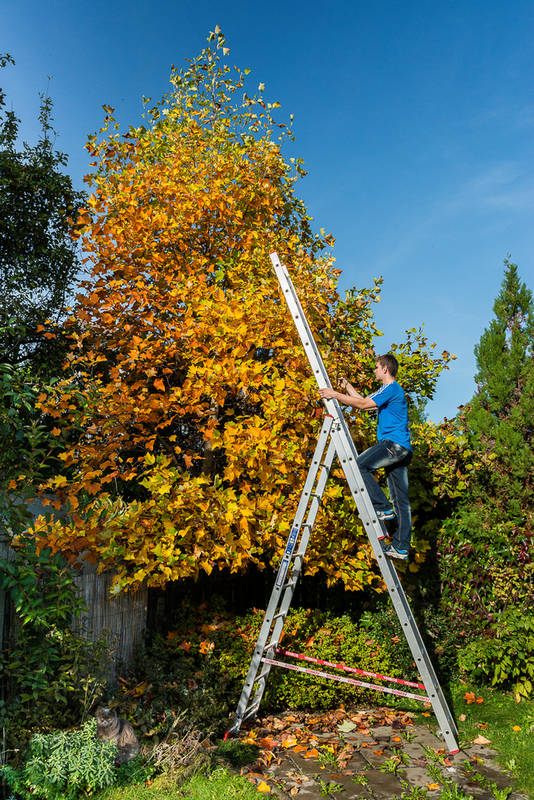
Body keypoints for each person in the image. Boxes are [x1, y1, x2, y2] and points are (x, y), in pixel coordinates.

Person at [319, 353, 412, 560]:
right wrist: (347, 387)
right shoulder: (389, 390)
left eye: (377, 367)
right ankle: (401, 546)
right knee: (402, 501)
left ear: (385, 369)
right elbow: (364, 401)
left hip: (393, 445)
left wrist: (334, 394)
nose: (375, 370)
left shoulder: (391, 388)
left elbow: (362, 406)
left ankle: (382, 508)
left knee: (358, 465)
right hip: (403, 449)